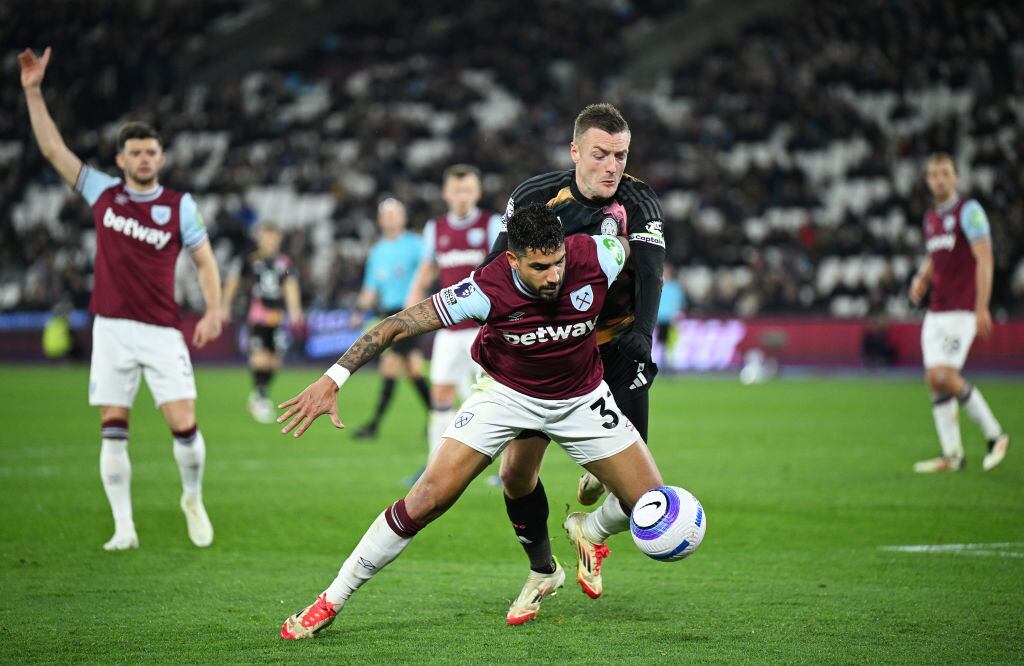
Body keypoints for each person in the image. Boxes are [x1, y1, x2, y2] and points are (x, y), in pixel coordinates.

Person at [276, 203, 666, 639]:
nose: (554, 276)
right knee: (427, 498)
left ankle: (589, 530)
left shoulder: (598, 254)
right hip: (507, 395)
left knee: (653, 506)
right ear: (512, 259)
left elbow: (638, 255)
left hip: (582, 399)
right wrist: (334, 378)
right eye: (540, 267)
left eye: (558, 263)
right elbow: (397, 325)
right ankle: (330, 600)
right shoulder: (483, 288)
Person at [19, 47, 223, 550]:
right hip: (109, 327)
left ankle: (192, 497)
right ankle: (124, 528)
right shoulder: (103, 193)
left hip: (160, 328)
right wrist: (32, 91)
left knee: (185, 426)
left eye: (151, 151)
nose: (144, 158)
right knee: (113, 426)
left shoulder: (180, 207)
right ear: (121, 159)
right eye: (135, 152)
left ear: (162, 157)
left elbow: (205, 260)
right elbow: (52, 151)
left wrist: (215, 309)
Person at [483, 103, 666, 619]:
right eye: (601, 154)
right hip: (552, 345)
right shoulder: (536, 195)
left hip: (617, 340)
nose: (612, 166)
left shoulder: (639, 201)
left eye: (621, 155)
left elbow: (651, 274)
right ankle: (543, 567)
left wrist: (644, 338)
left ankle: (590, 525)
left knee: (638, 499)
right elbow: (496, 267)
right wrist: (500, 335)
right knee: (517, 475)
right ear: (576, 152)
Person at [910, 153, 1009, 473]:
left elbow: (985, 258)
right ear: (927, 181)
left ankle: (995, 435)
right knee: (934, 380)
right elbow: (934, 253)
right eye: (933, 174)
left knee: (944, 375)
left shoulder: (970, 212)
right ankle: (952, 455)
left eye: (945, 173)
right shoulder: (930, 218)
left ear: (956, 177)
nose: (939, 179)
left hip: (963, 310)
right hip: (937, 310)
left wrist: (982, 306)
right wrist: (922, 277)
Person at [404, 165, 502, 462]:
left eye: (468, 190)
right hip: (449, 328)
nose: (462, 197)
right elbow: (427, 268)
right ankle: (435, 464)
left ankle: (505, 469)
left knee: (499, 398)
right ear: (446, 194)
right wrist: (412, 302)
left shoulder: (491, 223)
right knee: (440, 396)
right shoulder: (436, 228)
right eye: (457, 191)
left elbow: (504, 267)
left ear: (478, 193)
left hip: (484, 328)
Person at [350, 198, 430, 440]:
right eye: (386, 214)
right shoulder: (377, 252)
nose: (391, 218)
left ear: (403, 217)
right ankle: (439, 418)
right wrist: (359, 311)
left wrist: (419, 296)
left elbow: (430, 271)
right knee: (412, 369)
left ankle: (374, 425)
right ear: (380, 219)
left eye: (395, 213)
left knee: (392, 366)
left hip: (411, 312)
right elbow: (370, 288)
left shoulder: (416, 245)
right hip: (388, 313)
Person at [222, 221, 303, 423]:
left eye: (274, 236)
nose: (271, 240)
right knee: (259, 357)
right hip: (257, 315)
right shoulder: (249, 260)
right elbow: (234, 282)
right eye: (267, 236)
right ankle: (260, 397)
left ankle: (260, 393)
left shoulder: (284, 262)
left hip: (277, 316)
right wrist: (224, 306)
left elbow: (290, 286)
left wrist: (295, 311)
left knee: (275, 361)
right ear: (259, 237)